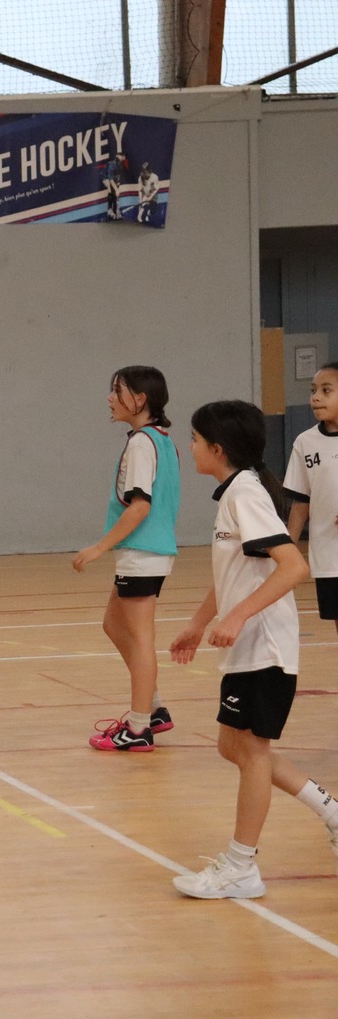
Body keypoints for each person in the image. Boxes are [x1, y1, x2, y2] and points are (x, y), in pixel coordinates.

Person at [169, 400, 338, 899]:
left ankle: (241, 866)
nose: (190, 447)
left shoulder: (245, 493)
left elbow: (293, 567)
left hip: (265, 647)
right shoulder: (236, 493)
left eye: (195, 440)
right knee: (235, 747)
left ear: (218, 449)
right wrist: (199, 623)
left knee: (252, 752)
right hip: (250, 648)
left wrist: (238, 615)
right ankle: (333, 813)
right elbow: (237, 571)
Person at [73, 366, 181, 751]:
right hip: (145, 553)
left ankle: (138, 729)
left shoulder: (141, 444)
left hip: (143, 554)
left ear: (140, 399)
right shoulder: (159, 440)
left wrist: (99, 548)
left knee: (140, 640)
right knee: (114, 625)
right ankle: (154, 709)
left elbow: (139, 506)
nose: (109, 397)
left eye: (117, 390)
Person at [283, 361, 338, 637]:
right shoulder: (305, 443)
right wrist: (287, 552)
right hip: (328, 556)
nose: (316, 397)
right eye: (313, 390)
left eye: (326, 390)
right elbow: (300, 502)